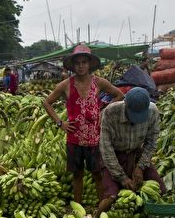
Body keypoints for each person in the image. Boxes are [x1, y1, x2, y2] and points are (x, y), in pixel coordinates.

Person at [43, 44, 124, 205]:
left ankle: (102, 208)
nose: (80, 66)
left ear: (89, 64)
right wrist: (60, 123)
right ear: (73, 65)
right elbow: (46, 102)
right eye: (77, 63)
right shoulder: (66, 85)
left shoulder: (99, 82)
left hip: (94, 138)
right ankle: (78, 208)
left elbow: (119, 95)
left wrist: (104, 112)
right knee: (77, 175)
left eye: (84, 62)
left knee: (97, 175)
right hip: (74, 138)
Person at [96, 87, 166, 214]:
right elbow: (106, 149)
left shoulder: (152, 111)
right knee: (111, 196)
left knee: (160, 189)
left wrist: (140, 166)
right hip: (113, 156)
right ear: (125, 104)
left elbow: (151, 143)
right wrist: (122, 178)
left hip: (136, 154)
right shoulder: (110, 113)